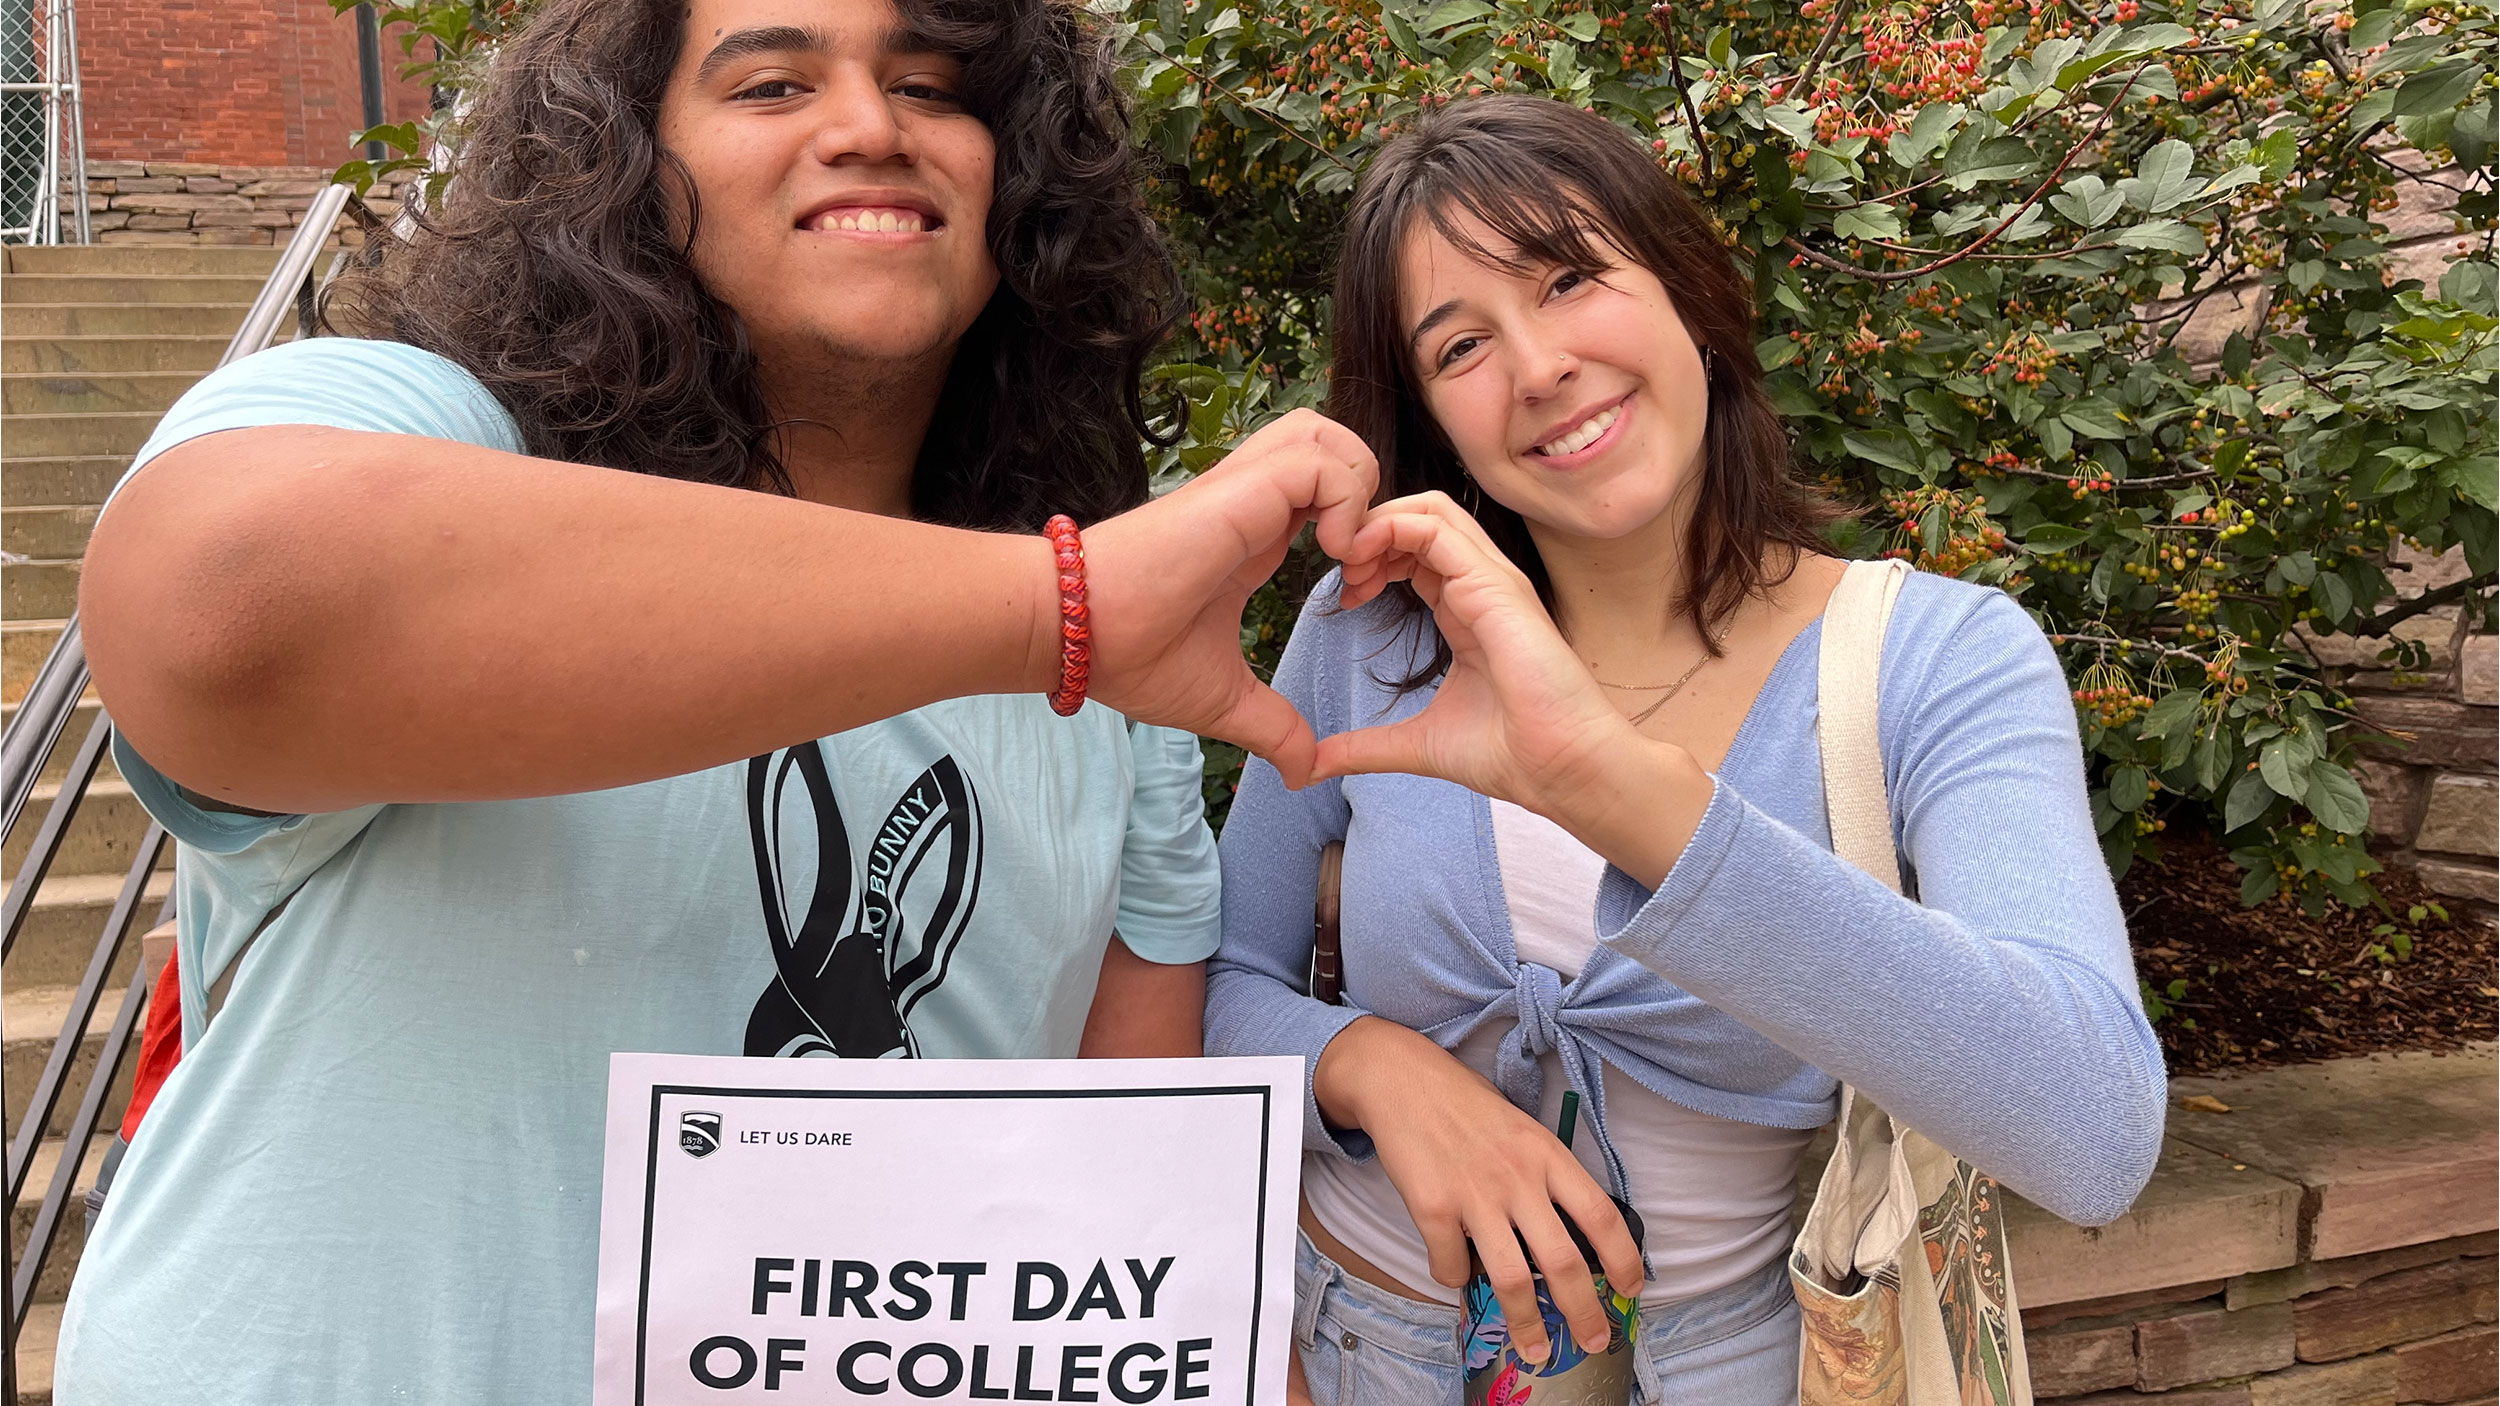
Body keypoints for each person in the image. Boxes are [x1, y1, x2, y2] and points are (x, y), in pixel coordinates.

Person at [57, 0, 1379, 1399]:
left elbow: (1121, 1207)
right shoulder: (424, 429)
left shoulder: (1119, 685)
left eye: (933, 86)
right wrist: (1060, 610)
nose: (871, 127)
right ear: (623, 158)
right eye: (770, 85)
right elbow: (222, 608)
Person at [1206, 96, 2167, 1404]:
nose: (1539, 364)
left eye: (1569, 276)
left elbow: (2093, 1126)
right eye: (1463, 343)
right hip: (1365, 1339)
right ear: (1434, 422)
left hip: (1741, 1367)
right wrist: (1372, 1067)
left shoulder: (1932, 660)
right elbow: (1212, 984)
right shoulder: (1375, 635)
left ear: (1690, 296)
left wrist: (1624, 795)